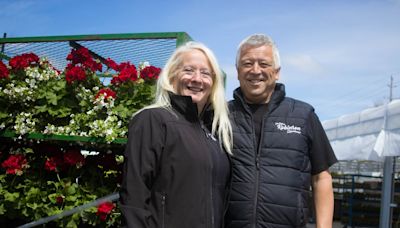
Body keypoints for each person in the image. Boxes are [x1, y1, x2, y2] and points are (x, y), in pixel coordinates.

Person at [225, 34, 338, 228]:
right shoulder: (221, 115)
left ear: (277, 72)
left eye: (264, 64)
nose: (255, 70)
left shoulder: (303, 115)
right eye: (247, 63)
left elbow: (321, 178)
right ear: (237, 71)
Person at [119, 41, 233, 228]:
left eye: (205, 73)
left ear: (213, 82)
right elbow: (134, 195)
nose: (197, 79)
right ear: (172, 75)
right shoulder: (153, 120)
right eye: (188, 70)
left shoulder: (213, 133)